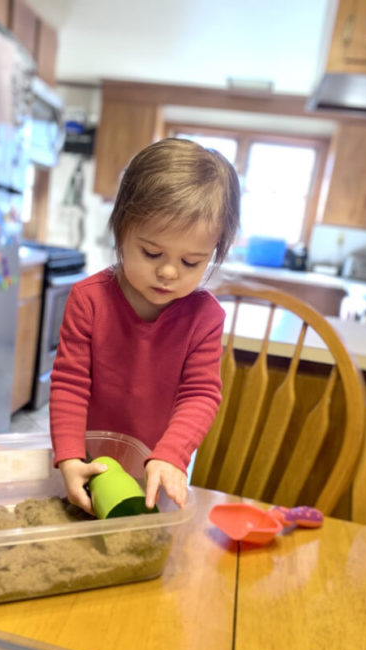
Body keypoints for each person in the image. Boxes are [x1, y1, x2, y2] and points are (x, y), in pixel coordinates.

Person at [49, 137, 240, 514]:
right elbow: (70, 385)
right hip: (88, 457)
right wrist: (69, 456)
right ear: (121, 232)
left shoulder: (205, 317)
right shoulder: (89, 300)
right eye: (152, 253)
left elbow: (200, 394)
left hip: (159, 461)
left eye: (191, 262)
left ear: (213, 254)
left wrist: (172, 454)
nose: (168, 272)